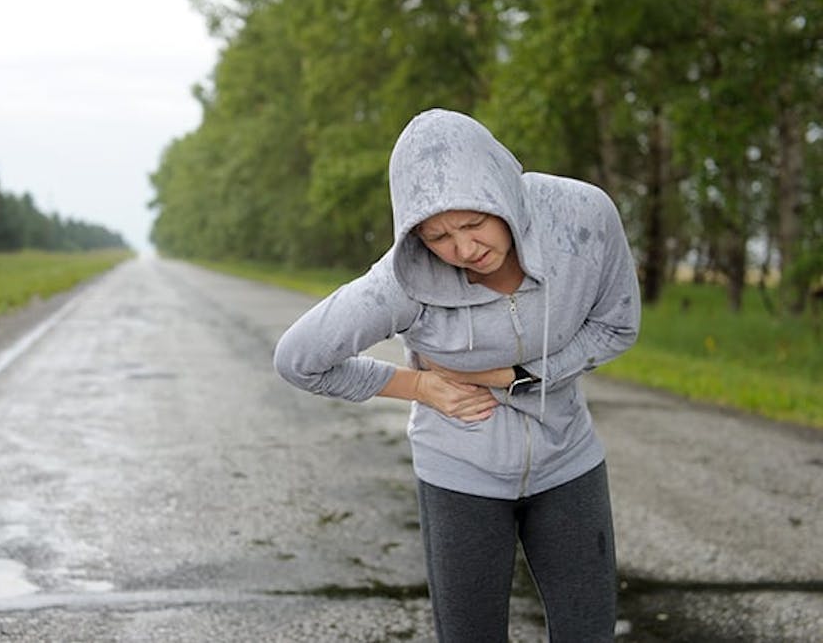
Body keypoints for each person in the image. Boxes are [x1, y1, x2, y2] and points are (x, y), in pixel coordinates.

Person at [273, 108, 640, 642]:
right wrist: (419, 386)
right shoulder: (404, 279)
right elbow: (298, 358)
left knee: (589, 633)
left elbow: (617, 325)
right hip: (459, 472)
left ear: (502, 194)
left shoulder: (580, 219)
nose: (463, 250)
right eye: (439, 236)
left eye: (473, 224)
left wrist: (517, 375)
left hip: (569, 461)